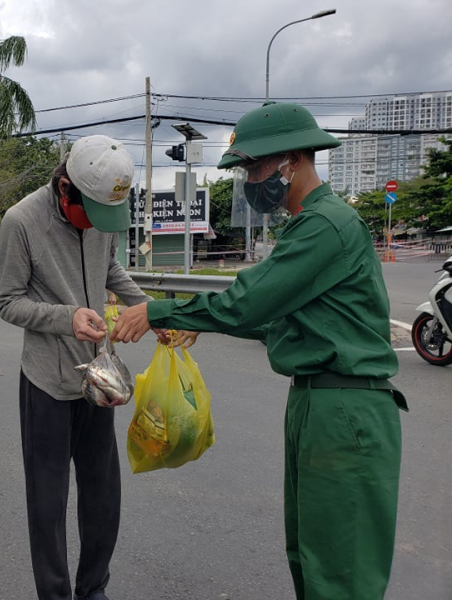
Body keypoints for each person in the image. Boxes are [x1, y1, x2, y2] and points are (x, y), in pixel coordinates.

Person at [110, 103, 408, 600]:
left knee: (340, 573)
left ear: (292, 160)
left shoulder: (325, 226)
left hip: (346, 407)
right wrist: (208, 324)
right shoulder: (308, 225)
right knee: (310, 555)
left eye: (254, 167)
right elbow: (283, 320)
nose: (250, 180)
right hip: (318, 403)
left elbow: (247, 302)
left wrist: (160, 313)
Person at [0, 135, 173, 600]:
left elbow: (110, 269)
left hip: (98, 379)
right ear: (64, 189)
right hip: (46, 383)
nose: (97, 223)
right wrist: (65, 317)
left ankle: (93, 588)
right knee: (48, 502)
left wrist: (151, 311)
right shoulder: (21, 221)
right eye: (89, 211)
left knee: (102, 495)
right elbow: (8, 302)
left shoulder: (102, 215)